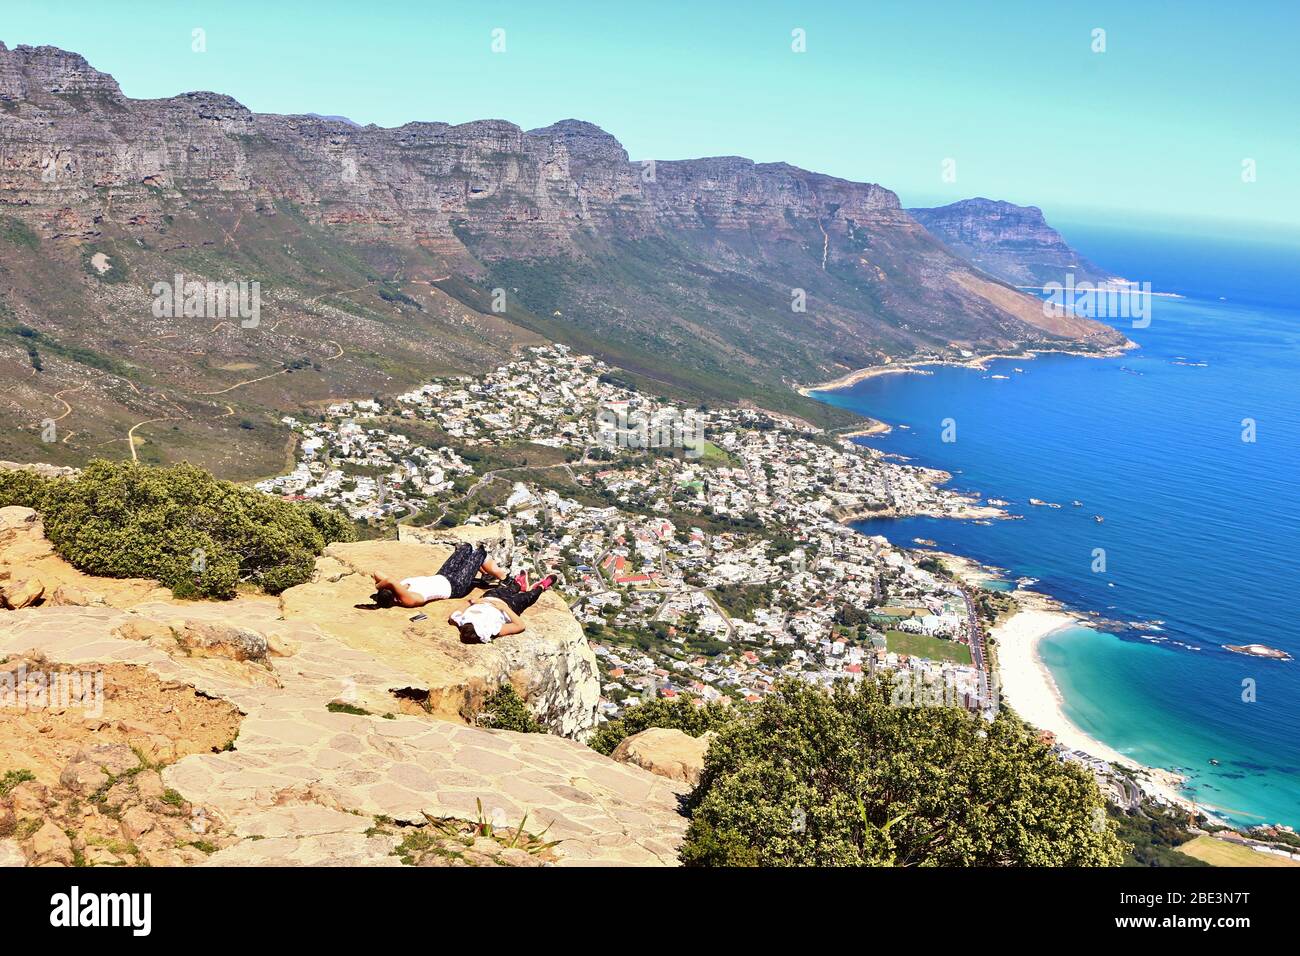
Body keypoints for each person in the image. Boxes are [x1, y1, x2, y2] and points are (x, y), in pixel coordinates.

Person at [369, 542, 509, 609]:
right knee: (479, 553)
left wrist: (383, 586)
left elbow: (376, 573)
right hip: (455, 587)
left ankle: (485, 574)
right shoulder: (409, 600)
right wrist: (383, 586)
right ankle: (502, 577)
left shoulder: (399, 588)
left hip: (443, 575)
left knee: (466, 547)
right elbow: (391, 581)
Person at [449, 572, 557, 643]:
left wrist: (473, 602)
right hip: (509, 606)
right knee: (528, 597)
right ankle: (541, 587)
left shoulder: (462, 621)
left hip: (490, 597)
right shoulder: (490, 629)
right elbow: (520, 625)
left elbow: (453, 616)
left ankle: (519, 585)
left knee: (505, 590)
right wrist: (504, 608)